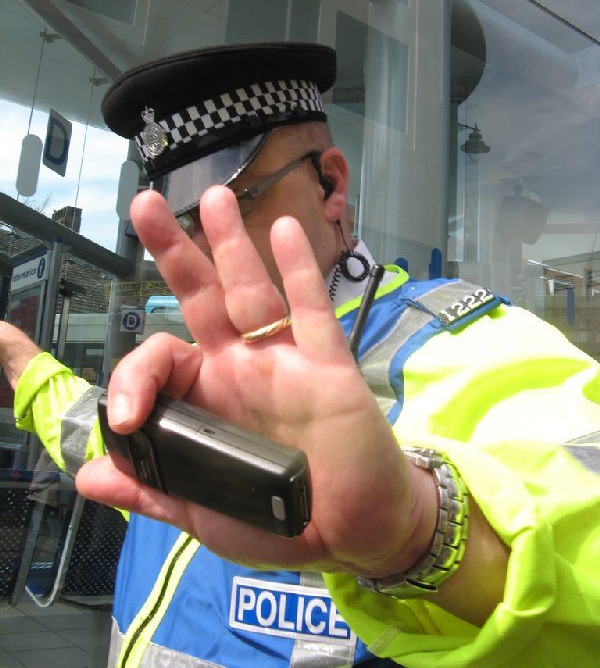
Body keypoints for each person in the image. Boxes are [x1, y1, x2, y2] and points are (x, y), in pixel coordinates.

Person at [5, 41, 600, 667]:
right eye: (183, 219)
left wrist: (420, 533)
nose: (206, 238)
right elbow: (106, 446)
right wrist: (21, 362)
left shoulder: (471, 344)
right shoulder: (198, 370)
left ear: (331, 184)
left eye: (234, 201)